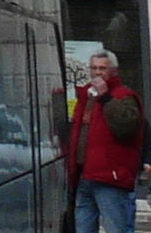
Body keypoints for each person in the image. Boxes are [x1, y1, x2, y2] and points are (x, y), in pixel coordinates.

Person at [61, 47, 144, 233]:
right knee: (83, 227)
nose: (97, 72)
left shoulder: (124, 96)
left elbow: (128, 129)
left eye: (102, 68)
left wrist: (106, 98)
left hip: (110, 178)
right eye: (94, 68)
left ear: (113, 71)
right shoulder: (86, 97)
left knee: (115, 227)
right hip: (84, 176)